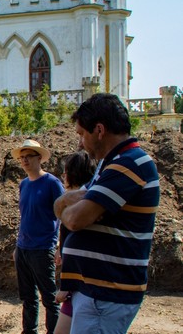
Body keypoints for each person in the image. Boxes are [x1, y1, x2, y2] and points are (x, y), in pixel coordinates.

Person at [55, 93, 160, 333]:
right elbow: (70, 207)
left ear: (99, 130)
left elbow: (75, 218)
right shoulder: (110, 165)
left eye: (82, 134)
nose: (80, 143)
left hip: (106, 295)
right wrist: (65, 203)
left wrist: (63, 204)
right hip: (94, 292)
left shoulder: (129, 164)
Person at [12, 139, 64, 334]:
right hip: (24, 248)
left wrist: (60, 246)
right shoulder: (24, 185)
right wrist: (18, 247)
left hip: (43, 249)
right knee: (28, 297)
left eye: (28, 157)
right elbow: (25, 217)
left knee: (49, 298)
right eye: (22, 157)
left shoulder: (52, 183)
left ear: (39, 158)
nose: (24, 161)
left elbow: (63, 215)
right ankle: (30, 331)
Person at [52, 151, 96, 334]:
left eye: (65, 172)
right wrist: (60, 249)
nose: (63, 177)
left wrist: (65, 287)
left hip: (80, 288)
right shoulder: (84, 199)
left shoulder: (78, 204)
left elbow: (78, 250)